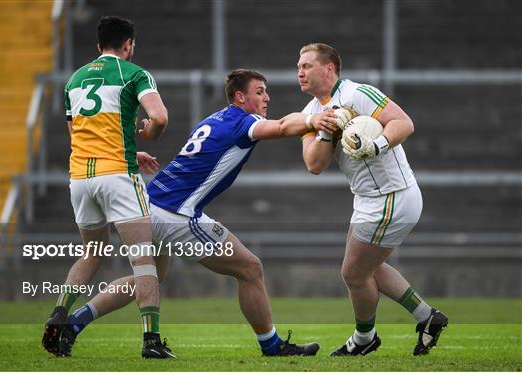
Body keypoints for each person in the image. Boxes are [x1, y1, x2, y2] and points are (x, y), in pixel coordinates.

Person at [58, 68, 339, 358]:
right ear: (240, 97)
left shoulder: (214, 119)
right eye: (259, 92)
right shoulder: (243, 122)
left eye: (266, 91)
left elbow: (280, 122)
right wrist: (313, 120)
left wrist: (307, 120)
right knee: (250, 268)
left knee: (149, 277)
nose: (267, 97)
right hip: (176, 214)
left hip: (149, 205)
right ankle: (271, 344)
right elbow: (280, 127)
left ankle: (74, 323)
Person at [298, 43, 448, 356]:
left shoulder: (358, 93)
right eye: (298, 66)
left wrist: (377, 145)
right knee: (368, 268)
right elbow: (314, 165)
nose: (300, 71)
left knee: (353, 273)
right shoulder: (310, 114)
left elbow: (403, 122)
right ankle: (427, 317)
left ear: (330, 69)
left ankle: (364, 340)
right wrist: (326, 130)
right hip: (367, 199)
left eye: (307, 65)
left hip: (392, 197)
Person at [42, 16, 172, 359]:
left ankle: (59, 312)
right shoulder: (134, 73)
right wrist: (148, 134)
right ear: (128, 44)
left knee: (92, 252)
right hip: (118, 176)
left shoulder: (74, 79)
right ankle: (152, 341)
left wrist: (130, 146)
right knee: (144, 260)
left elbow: (77, 135)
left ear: (99, 44)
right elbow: (159, 118)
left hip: (81, 178)